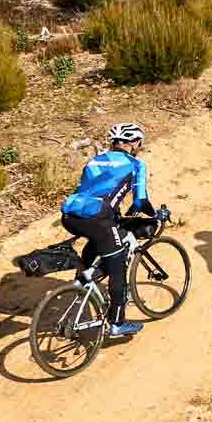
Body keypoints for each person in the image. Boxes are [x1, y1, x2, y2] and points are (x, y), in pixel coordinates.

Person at [60, 122, 153, 338]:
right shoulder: (135, 164)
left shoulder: (95, 160)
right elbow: (140, 201)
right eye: (139, 142)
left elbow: (91, 190)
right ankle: (117, 323)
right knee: (118, 265)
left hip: (70, 216)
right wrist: (155, 214)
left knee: (100, 243)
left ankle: (82, 279)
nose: (139, 146)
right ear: (133, 142)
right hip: (98, 219)